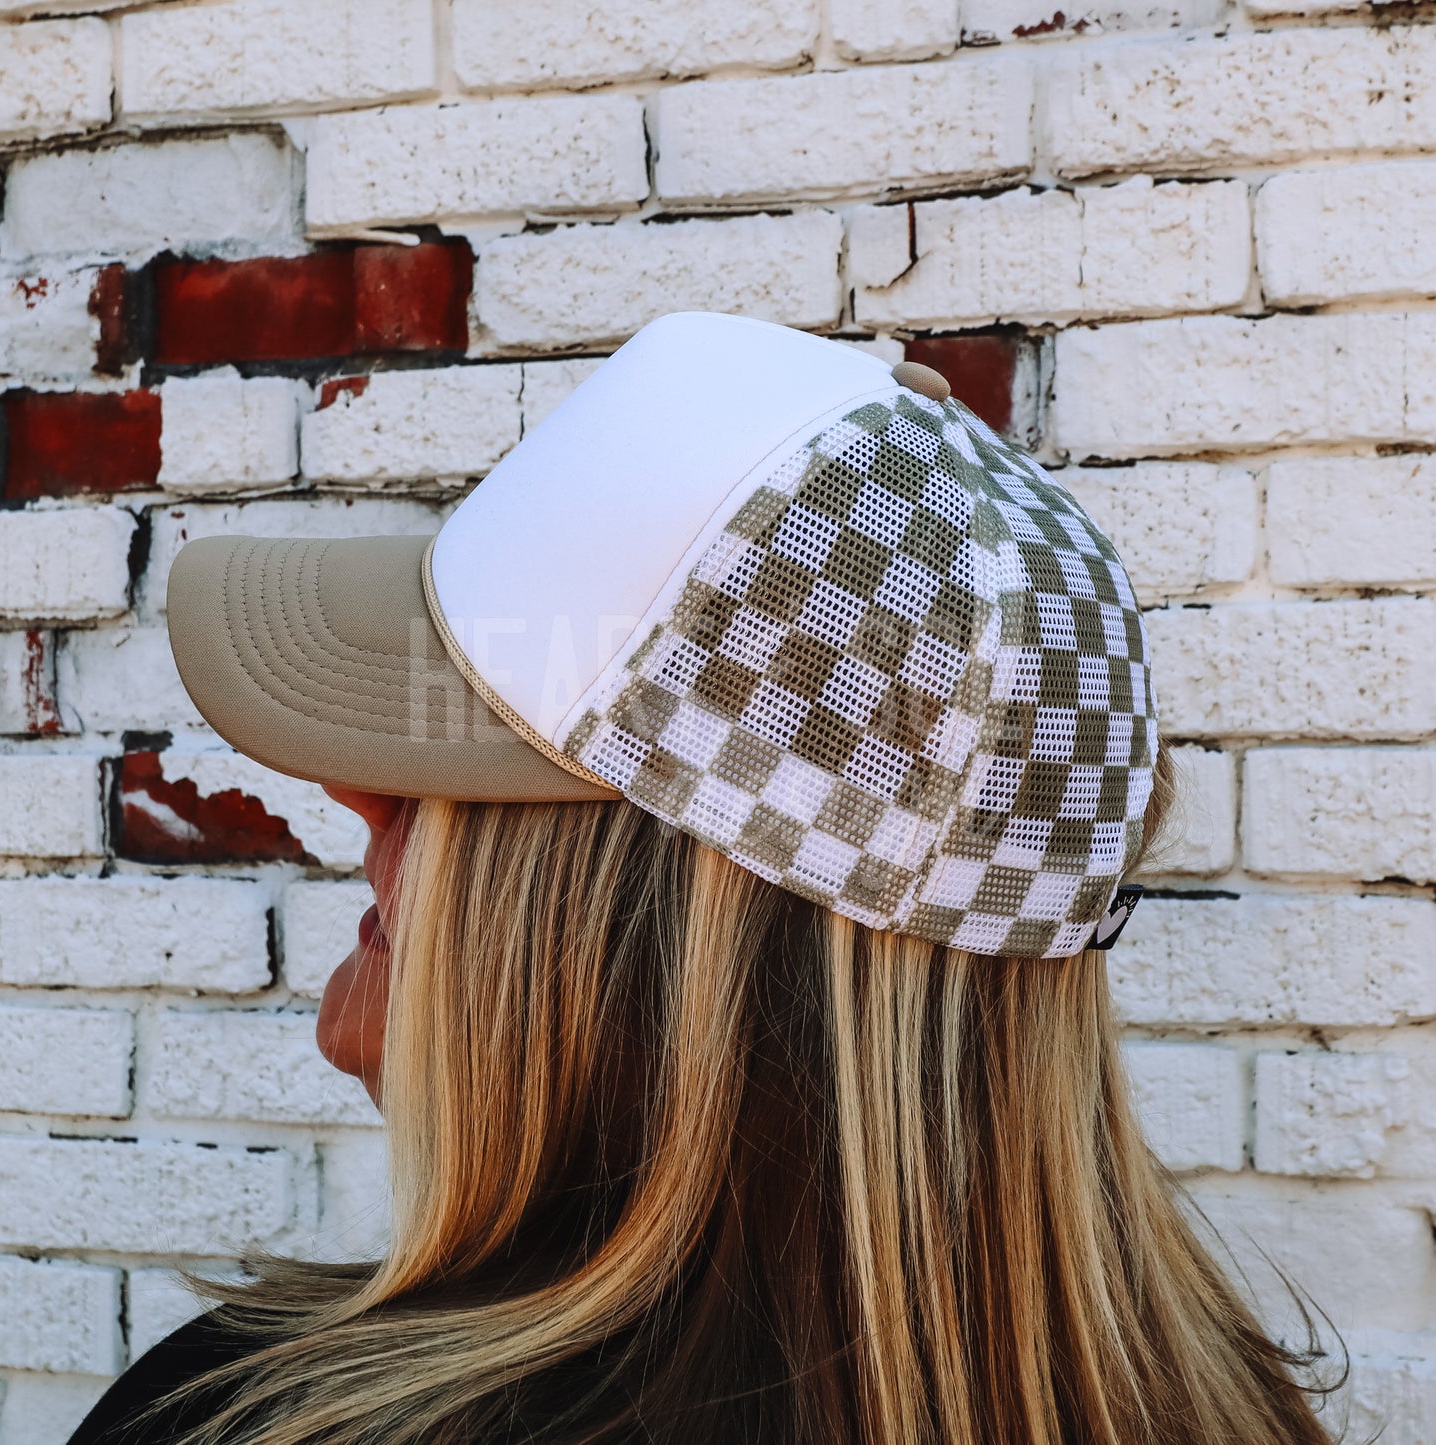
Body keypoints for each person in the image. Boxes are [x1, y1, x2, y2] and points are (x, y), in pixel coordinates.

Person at [71, 313, 1336, 1444]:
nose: (353, 794)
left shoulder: (254, 1418)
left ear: (661, 903)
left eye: (442, 756)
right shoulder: (1227, 1411)